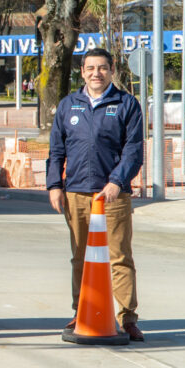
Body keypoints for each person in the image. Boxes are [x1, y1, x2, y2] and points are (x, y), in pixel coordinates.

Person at [48, 47, 144, 341]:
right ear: (83, 72)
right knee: (80, 257)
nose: (96, 73)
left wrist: (116, 182)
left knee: (119, 257)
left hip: (112, 196)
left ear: (112, 70)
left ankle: (127, 318)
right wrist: (54, 185)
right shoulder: (69, 105)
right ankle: (82, 311)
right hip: (76, 193)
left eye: (102, 68)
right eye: (90, 68)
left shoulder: (126, 104)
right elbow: (56, 150)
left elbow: (133, 150)